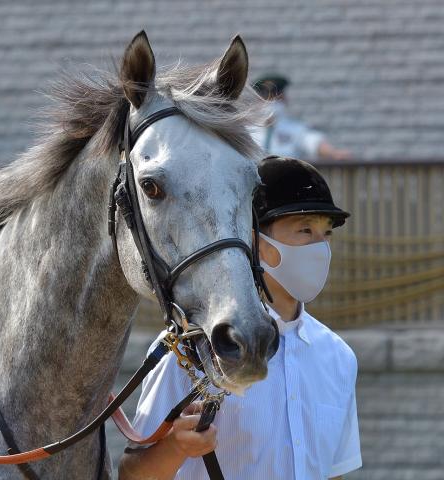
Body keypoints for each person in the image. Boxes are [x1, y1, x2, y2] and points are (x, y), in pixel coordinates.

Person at [119, 156, 362, 480]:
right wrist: (175, 446)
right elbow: (131, 475)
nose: (320, 248)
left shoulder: (339, 358)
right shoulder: (189, 351)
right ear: (254, 240)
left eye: (326, 233)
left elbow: (333, 474)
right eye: (305, 230)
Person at [252, 74, 352, 162]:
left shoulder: (296, 128)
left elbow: (314, 142)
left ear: (284, 99)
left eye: (276, 97)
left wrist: (333, 153)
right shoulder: (247, 130)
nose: (271, 102)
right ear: (257, 100)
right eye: (266, 97)